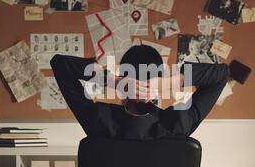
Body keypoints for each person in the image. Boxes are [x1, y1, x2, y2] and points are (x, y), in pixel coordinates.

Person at [50, 45, 229, 139]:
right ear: (159, 78)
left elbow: (59, 64)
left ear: (123, 75)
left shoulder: (98, 119)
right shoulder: (179, 124)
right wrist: (168, 84)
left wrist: (114, 81)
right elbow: (222, 74)